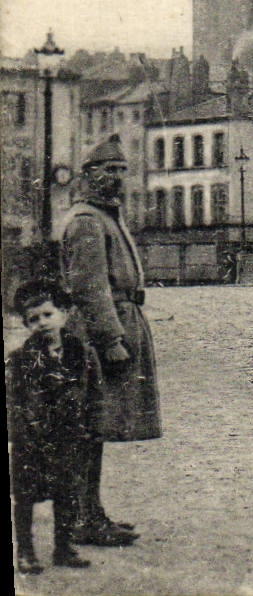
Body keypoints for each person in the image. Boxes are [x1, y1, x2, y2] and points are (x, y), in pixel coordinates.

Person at [61, 136, 159, 545]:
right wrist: (111, 340)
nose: (117, 178)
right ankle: (84, 519)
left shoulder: (105, 217)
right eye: (108, 170)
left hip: (117, 323)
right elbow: (89, 288)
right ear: (88, 176)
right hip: (99, 334)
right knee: (88, 427)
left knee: (95, 427)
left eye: (121, 170)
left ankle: (90, 512)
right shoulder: (87, 221)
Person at [7, 279, 96, 573]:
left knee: (67, 492)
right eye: (33, 319)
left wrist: (92, 426)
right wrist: (21, 431)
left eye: (48, 314)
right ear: (25, 324)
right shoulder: (20, 360)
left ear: (64, 313)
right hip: (32, 439)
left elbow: (94, 394)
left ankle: (64, 547)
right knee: (25, 496)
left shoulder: (82, 354)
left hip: (70, 436)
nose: (42, 323)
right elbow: (14, 400)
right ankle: (25, 551)